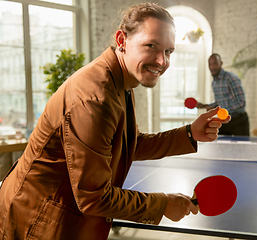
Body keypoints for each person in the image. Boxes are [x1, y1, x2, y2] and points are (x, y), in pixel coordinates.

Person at [0, 3, 230, 240]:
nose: (162, 61)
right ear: (122, 40)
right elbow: (94, 196)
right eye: (151, 46)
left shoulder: (120, 82)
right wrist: (161, 205)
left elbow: (130, 144)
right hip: (36, 219)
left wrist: (190, 133)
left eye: (169, 51)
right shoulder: (95, 99)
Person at [197, 53, 250, 136]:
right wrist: (205, 105)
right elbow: (219, 102)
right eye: (210, 64)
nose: (212, 67)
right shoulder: (214, 83)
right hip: (224, 121)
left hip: (238, 121)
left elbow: (241, 103)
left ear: (221, 63)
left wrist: (221, 110)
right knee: (219, 147)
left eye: (215, 63)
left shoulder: (231, 79)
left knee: (241, 148)